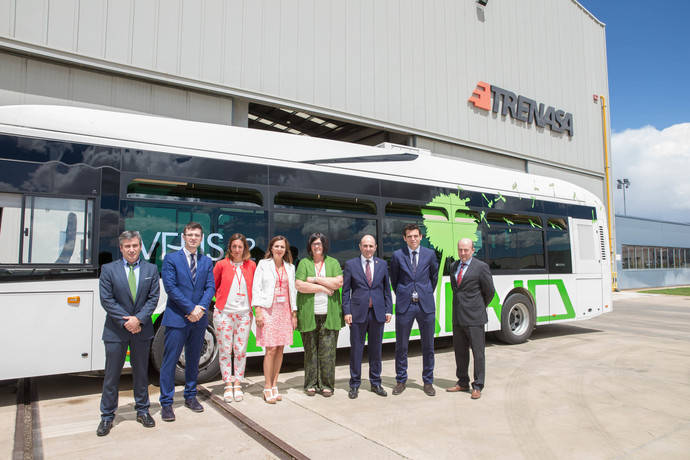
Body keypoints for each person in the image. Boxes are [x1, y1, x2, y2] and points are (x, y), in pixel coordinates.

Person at [97, 230, 160, 436]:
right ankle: (107, 416)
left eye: (135, 245)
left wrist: (139, 319)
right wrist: (127, 321)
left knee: (141, 373)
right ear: (121, 248)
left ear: (140, 247)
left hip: (142, 331)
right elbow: (107, 300)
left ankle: (143, 410)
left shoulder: (151, 268)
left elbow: (153, 298)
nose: (131, 249)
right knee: (112, 375)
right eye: (127, 246)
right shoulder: (108, 269)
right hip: (116, 331)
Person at [159, 222, 215, 421]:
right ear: (184, 236)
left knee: (193, 361)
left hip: (198, 319)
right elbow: (170, 288)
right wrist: (190, 308)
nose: (193, 238)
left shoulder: (207, 261)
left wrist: (200, 308)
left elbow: (210, 288)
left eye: (197, 235)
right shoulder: (171, 259)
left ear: (201, 238)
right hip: (177, 318)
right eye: (190, 234)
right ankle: (166, 403)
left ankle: (190, 396)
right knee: (170, 361)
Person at [389, 223, 439, 396]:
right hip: (405, 305)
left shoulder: (430, 254)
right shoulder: (397, 256)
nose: (413, 239)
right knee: (401, 346)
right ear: (404, 238)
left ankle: (428, 381)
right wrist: (404, 293)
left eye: (416, 236)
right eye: (409, 236)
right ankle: (401, 380)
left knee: (428, 346)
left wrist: (424, 292)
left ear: (421, 237)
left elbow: (434, 278)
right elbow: (394, 280)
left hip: (425, 305)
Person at [342, 234, 392, 399]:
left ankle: (376, 382)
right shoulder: (350, 265)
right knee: (356, 350)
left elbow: (386, 289)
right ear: (360, 247)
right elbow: (346, 291)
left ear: (375, 247)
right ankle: (354, 384)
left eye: (371, 246)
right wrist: (347, 311)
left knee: (376, 350)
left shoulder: (383, 264)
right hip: (357, 314)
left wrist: (388, 310)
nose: (368, 249)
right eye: (365, 246)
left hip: (377, 314)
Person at [295, 233, 344, 397]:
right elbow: (300, 285)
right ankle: (310, 383)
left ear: (324, 246)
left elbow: (338, 283)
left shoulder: (333, 262)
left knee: (328, 353)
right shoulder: (304, 263)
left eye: (320, 244)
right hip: (309, 314)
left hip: (329, 315)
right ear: (310, 246)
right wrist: (323, 287)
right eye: (314, 244)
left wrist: (315, 279)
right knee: (310, 352)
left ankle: (327, 385)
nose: (317, 246)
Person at [446, 238, 496, 400]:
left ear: (473, 250)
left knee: (478, 353)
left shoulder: (481, 267)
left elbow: (490, 292)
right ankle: (462, 382)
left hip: (475, 318)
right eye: (460, 250)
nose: (462, 253)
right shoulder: (453, 266)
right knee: (460, 352)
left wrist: (478, 307)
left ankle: (478, 385)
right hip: (458, 317)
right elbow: (456, 290)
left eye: (466, 250)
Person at [252, 236, 297, 404]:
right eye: (276, 246)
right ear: (271, 248)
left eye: (282, 247)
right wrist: (258, 311)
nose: (279, 249)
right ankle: (267, 386)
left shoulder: (290, 267)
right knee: (270, 349)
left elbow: (293, 292)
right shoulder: (263, 265)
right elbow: (256, 287)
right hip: (268, 310)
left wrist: (294, 314)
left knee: (280, 349)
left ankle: (275, 385)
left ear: (286, 250)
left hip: (285, 311)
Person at [212, 233, 256, 403]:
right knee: (225, 350)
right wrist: (221, 301)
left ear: (245, 248)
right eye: (234, 246)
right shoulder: (221, 265)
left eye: (240, 247)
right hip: (224, 313)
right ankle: (227, 383)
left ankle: (238, 382)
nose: (237, 250)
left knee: (240, 349)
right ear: (229, 247)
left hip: (244, 313)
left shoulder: (251, 265)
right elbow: (213, 285)